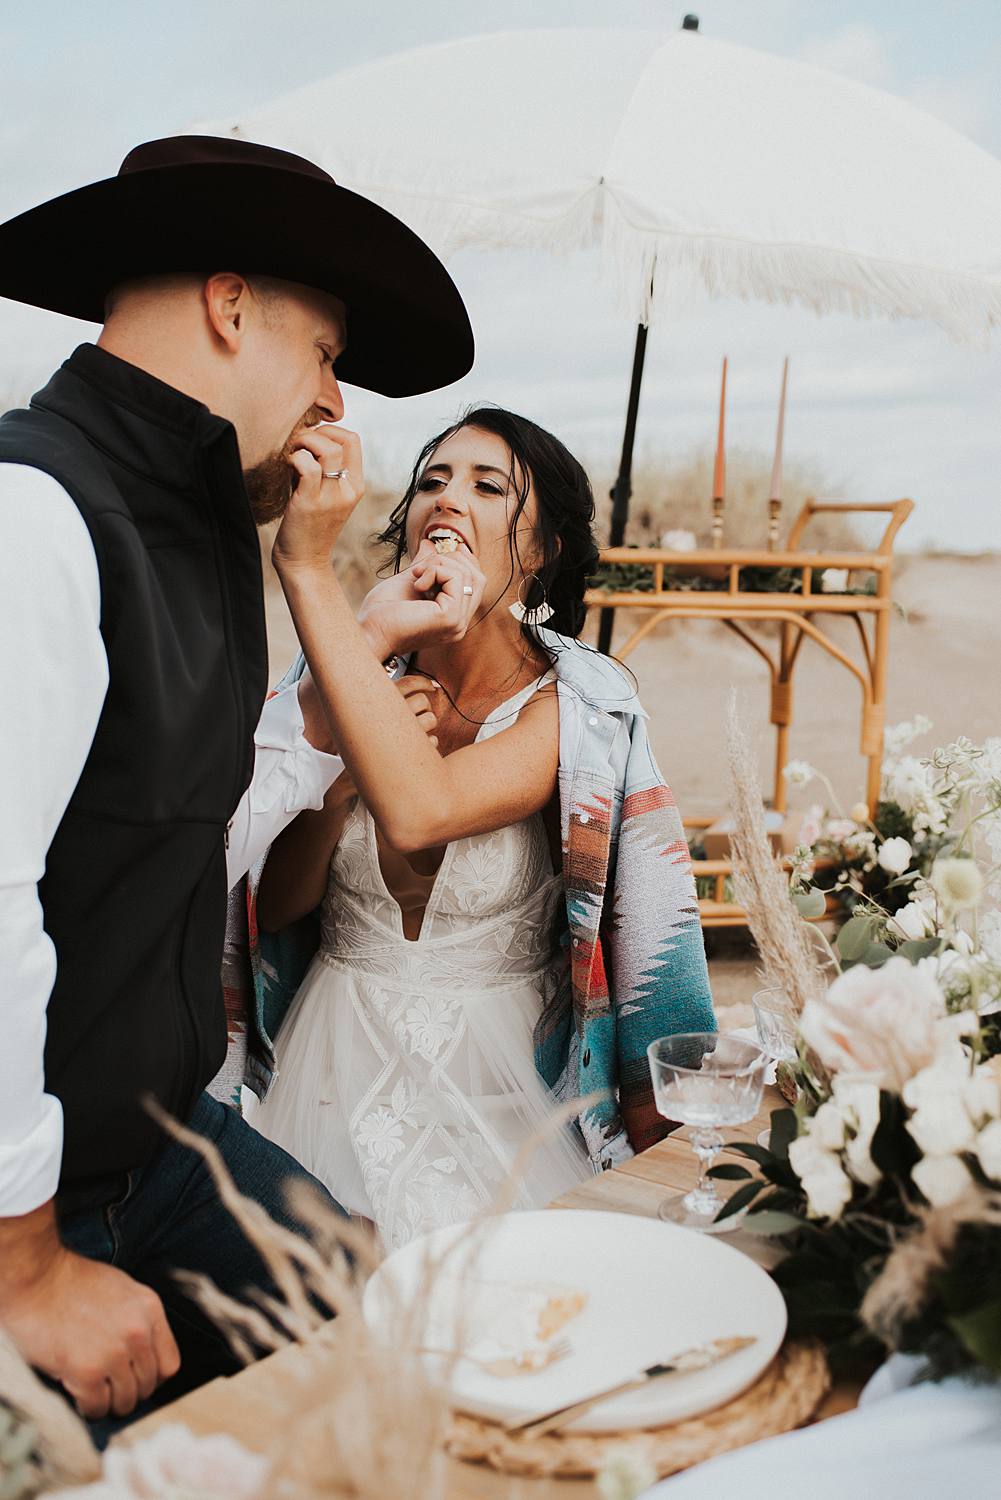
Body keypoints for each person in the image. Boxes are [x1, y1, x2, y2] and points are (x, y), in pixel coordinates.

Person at [0, 134, 476, 1428]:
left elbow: (192, 815)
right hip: (28, 1206)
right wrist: (25, 1264)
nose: (336, 407)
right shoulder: (32, 514)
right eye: (326, 356)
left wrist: (319, 590)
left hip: (164, 1149)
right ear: (228, 305)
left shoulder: (212, 524)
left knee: (410, 1347)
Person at [248, 408, 716, 1249]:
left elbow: (423, 805)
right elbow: (278, 906)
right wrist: (342, 778)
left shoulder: (577, 708)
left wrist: (306, 567)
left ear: (536, 554)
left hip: (503, 1089)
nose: (447, 500)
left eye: (487, 486)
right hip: (330, 1063)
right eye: (433, 481)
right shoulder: (346, 674)